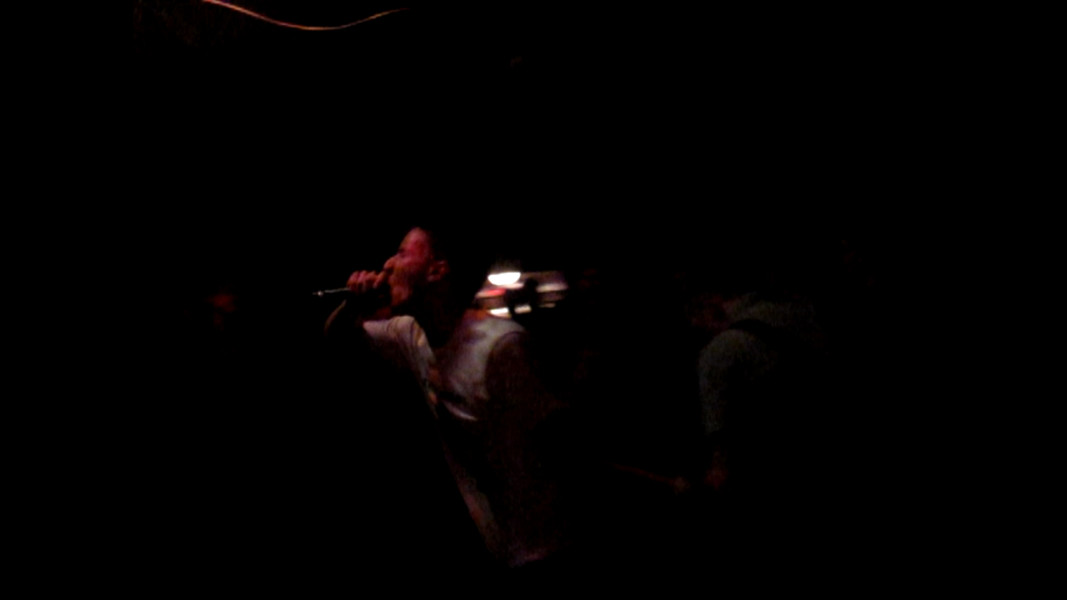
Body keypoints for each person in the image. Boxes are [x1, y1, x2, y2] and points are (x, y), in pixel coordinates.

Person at [325, 224, 569, 569]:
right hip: (495, 546)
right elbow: (337, 338)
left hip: (542, 550)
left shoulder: (502, 347)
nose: (388, 264)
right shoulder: (411, 334)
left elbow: (555, 449)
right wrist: (354, 303)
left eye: (402, 253)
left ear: (437, 270)